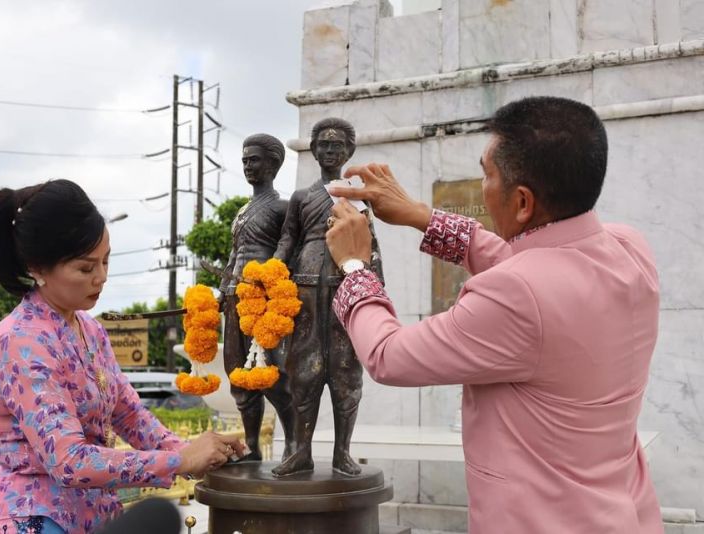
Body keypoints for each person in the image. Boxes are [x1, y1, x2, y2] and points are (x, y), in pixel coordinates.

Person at [325, 96, 663, 533]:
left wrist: (354, 265)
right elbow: (531, 263)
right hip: (627, 513)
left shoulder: (515, 295)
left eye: (486, 173)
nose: (482, 185)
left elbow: (389, 355)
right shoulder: (628, 246)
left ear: (522, 202)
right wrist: (421, 217)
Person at [0, 179, 245, 534]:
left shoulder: (90, 329)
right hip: (38, 519)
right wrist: (180, 459)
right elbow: (69, 461)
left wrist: (193, 451)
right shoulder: (21, 341)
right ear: (37, 268)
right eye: (86, 268)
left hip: (95, 516)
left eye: (105, 261)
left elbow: (129, 414)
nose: (101, 277)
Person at [272, 117, 383, 477]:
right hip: (304, 290)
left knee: (345, 372)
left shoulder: (356, 196)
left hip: (345, 286)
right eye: (324, 144)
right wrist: (272, 271)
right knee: (304, 372)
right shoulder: (302, 197)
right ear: (314, 150)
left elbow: (371, 243)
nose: (330, 151)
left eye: (337, 145)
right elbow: (288, 239)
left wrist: (375, 286)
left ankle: (342, 453)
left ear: (348, 151)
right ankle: (300, 451)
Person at [219, 133, 295, 461]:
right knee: (239, 375)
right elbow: (234, 253)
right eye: (245, 161)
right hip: (236, 297)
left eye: (255, 160)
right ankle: (252, 447)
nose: (248, 166)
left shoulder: (282, 207)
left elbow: (287, 249)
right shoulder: (243, 210)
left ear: (274, 163)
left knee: (270, 375)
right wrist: (223, 290)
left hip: (263, 300)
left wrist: (270, 280)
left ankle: (294, 443)